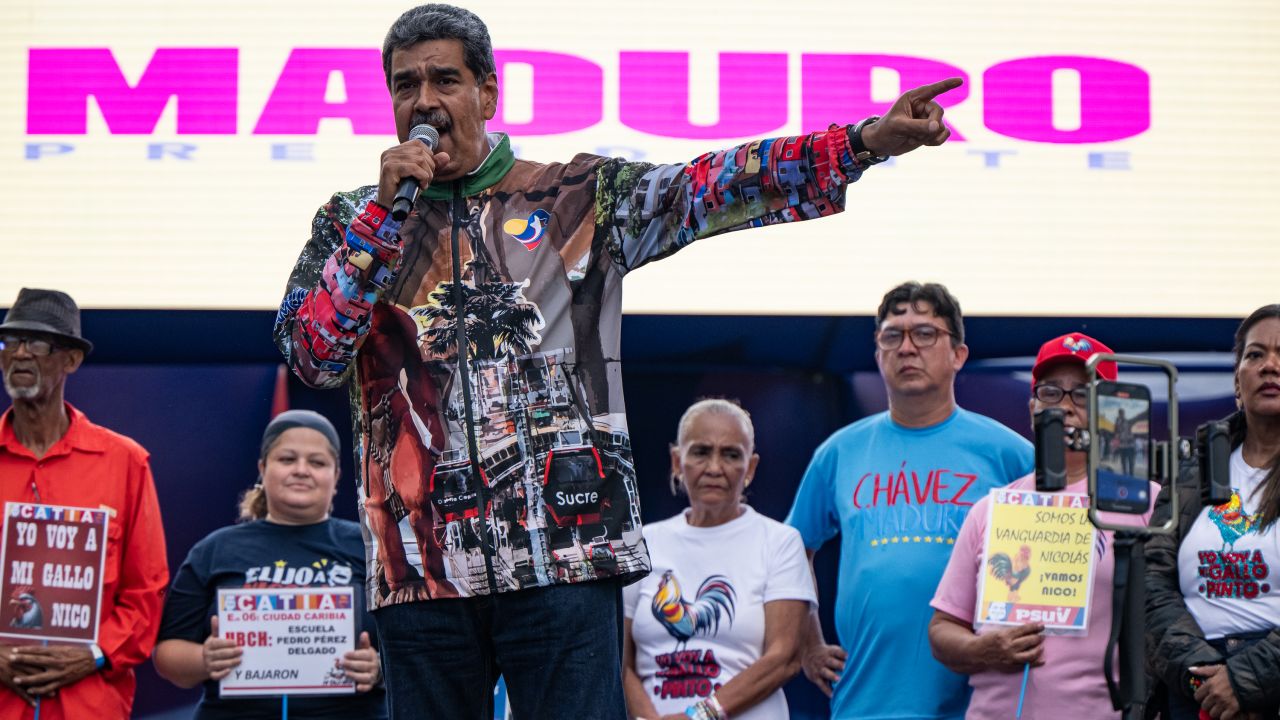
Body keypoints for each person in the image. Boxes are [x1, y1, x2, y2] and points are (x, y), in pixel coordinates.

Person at [272, 3, 961, 715]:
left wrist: (863, 142)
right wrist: (379, 224)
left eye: (444, 80)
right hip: (420, 569)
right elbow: (313, 355)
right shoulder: (351, 220)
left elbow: (713, 186)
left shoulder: (575, 196)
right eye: (404, 85)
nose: (423, 102)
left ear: (488, 92)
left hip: (565, 558)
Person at [786, 281, 1034, 720]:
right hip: (864, 702)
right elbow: (791, 551)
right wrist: (808, 645)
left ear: (958, 354)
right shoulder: (839, 453)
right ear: (877, 353)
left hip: (981, 704)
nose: (906, 348)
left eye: (924, 333)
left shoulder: (1009, 453)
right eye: (892, 335)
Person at [928, 333, 1156, 718]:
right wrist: (981, 650)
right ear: (1033, 405)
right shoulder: (990, 509)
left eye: (1083, 394)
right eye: (1052, 392)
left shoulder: (1145, 502)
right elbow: (942, 629)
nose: (1066, 407)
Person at [0, 288, 169, 720]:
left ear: (71, 360)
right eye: (9, 342)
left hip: (89, 701)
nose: (19, 354)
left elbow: (146, 594)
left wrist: (93, 653)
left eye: (37, 343)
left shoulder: (125, 461)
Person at [153, 409, 386, 719]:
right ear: (262, 468)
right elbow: (166, 652)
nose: (302, 470)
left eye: (317, 462)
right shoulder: (214, 550)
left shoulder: (373, 546)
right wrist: (204, 659)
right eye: (287, 459)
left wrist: (380, 668)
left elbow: (416, 643)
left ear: (336, 474)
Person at [623, 399, 814, 720]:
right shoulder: (642, 543)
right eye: (700, 452)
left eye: (730, 454)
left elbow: (785, 658)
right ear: (676, 461)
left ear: (750, 468)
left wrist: (700, 715)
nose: (714, 467)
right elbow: (619, 660)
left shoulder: (779, 541)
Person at [1146, 304, 1280, 720]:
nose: (1269, 365)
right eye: (1255, 355)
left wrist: (1243, 682)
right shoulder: (1193, 469)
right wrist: (1204, 679)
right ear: (1237, 383)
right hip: (1194, 687)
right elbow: (1152, 582)